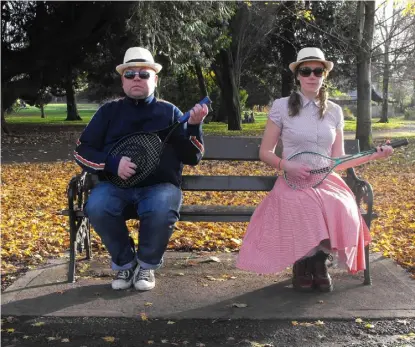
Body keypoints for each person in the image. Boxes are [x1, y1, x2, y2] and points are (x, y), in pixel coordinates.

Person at [236, 47, 394, 292]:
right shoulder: (281, 106)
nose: (312, 75)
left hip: (326, 180)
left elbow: (338, 160)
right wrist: (286, 165)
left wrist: (374, 156)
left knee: (342, 205)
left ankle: (319, 263)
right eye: (306, 70)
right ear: (297, 75)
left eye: (318, 70)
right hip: (292, 181)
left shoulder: (335, 111)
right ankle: (302, 264)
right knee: (304, 206)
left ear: (324, 75)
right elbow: (265, 152)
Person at [74, 47, 209, 291]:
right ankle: (124, 263)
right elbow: (82, 150)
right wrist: (113, 164)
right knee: (96, 206)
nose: (137, 78)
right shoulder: (108, 112)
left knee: (161, 207)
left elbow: (193, 156)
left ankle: (146, 265)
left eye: (144, 74)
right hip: (114, 186)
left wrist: (193, 127)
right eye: (130, 74)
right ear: (122, 80)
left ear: (155, 80)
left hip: (160, 187)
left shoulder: (170, 112)